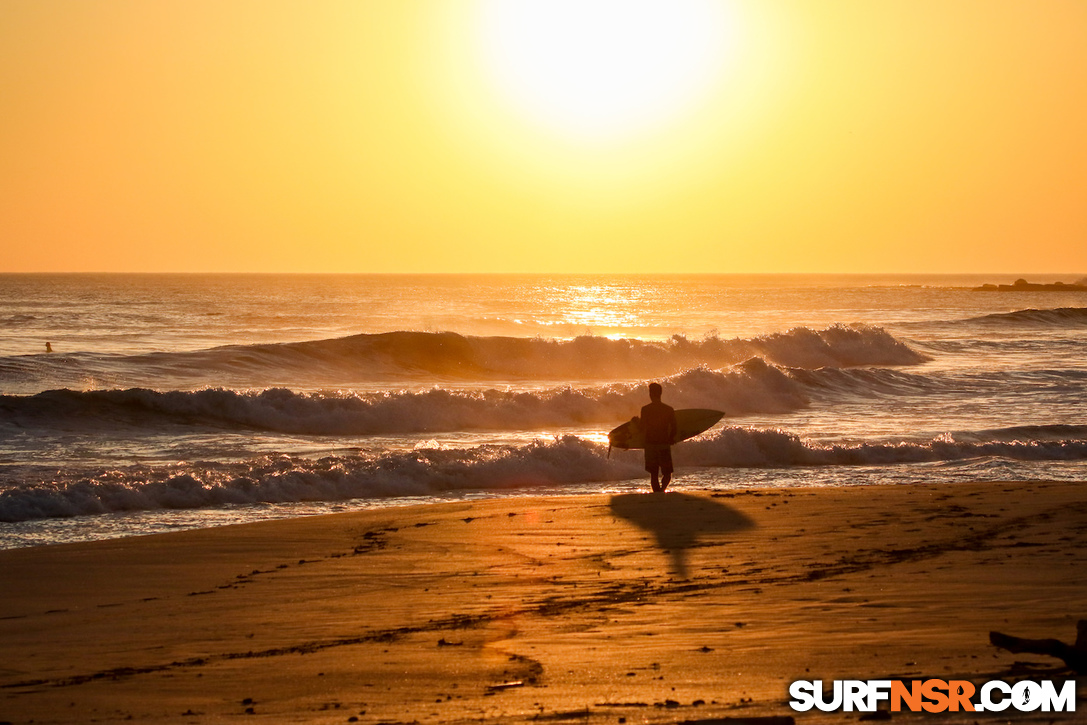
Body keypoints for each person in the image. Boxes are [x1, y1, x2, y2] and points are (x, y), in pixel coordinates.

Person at [641, 382, 677, 493]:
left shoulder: (645, 409)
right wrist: (671, 438)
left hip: (650, 445)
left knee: (654, 473)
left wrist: (635, 422)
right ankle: (661, 491)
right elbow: (674, 427)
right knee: (667, 473)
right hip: (663, 444)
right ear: (660, 393)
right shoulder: (668, 409)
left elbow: (642, 428)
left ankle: (657, 493)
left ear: (651, 394)